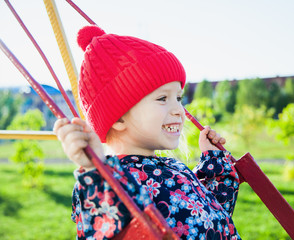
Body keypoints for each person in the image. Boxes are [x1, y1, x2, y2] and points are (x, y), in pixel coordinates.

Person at [54, 25, 242, 240]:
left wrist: (213, 162)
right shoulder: (118, 184)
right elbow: (110, 227)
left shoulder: (172, 167)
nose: (179, 110)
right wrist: (96, 172)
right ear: (118, 118)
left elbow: (212, 221)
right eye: (163, 98)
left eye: (178, 98)